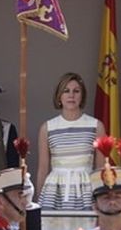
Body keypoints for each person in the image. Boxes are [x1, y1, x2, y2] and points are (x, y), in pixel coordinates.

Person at [36, 73, 105, 211]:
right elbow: (43, 169)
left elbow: (100, 168)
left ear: (82, 96)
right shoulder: (47, 127)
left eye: (76, 91)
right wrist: (38, 202)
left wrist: (101, 198)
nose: (71, 95)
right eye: (66, 91)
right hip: (55, 191)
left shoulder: (96, 126)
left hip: (86, 191)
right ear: (59, 96)